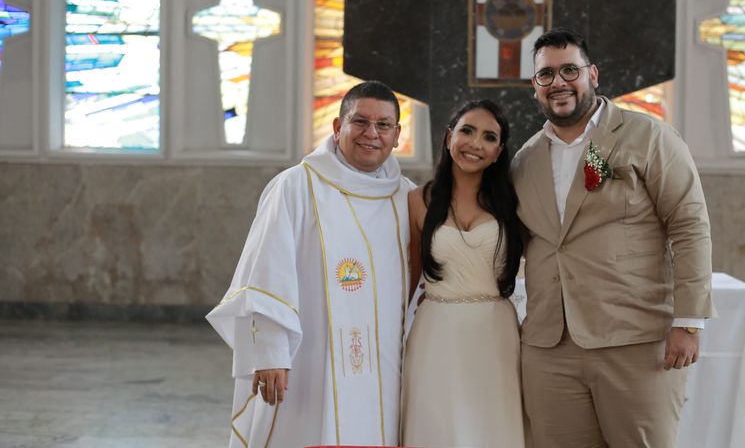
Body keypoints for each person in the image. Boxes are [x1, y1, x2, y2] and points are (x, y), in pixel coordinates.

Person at [511, 28, 713, 448]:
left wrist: (688, 322)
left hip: (633, 341)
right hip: (549, 348)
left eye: (570, 70)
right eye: (546, 75)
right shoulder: (525, 159)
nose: (559, 82)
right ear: (535, 86)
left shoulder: (649, 137)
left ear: (593, 75)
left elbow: (689, 225)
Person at [206, 80, 414, 447]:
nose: (371, 134)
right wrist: (270, 353)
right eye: (360, 122)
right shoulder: (296, 187)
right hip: (308, 363)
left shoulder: (408, 196)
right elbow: (266, 272)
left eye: (383, 125)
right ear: (337, 127)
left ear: (397, 135)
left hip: (386, 363)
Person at [401, 100, 526, 448]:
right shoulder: (418, 199)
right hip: (435, 331)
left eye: (489, 137)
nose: (475, 144)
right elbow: (410, 276)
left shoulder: (513, 204)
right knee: (437, 426)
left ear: (499, 151)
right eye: (467, 131)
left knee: (493, 427)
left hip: (494, 332)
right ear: (448, 137)